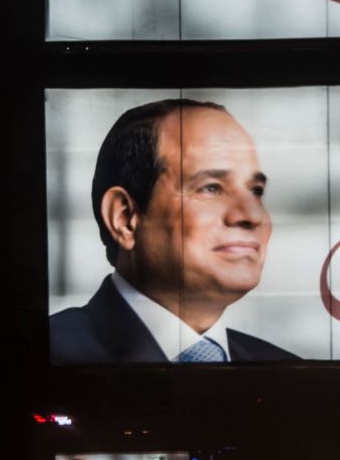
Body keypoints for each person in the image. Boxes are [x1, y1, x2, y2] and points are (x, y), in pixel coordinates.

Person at [50, 99, 300, 363]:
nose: (252, 215)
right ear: (124, 217)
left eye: (256, 191)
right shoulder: (36, 357)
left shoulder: (288, 371)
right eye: (211, 187)